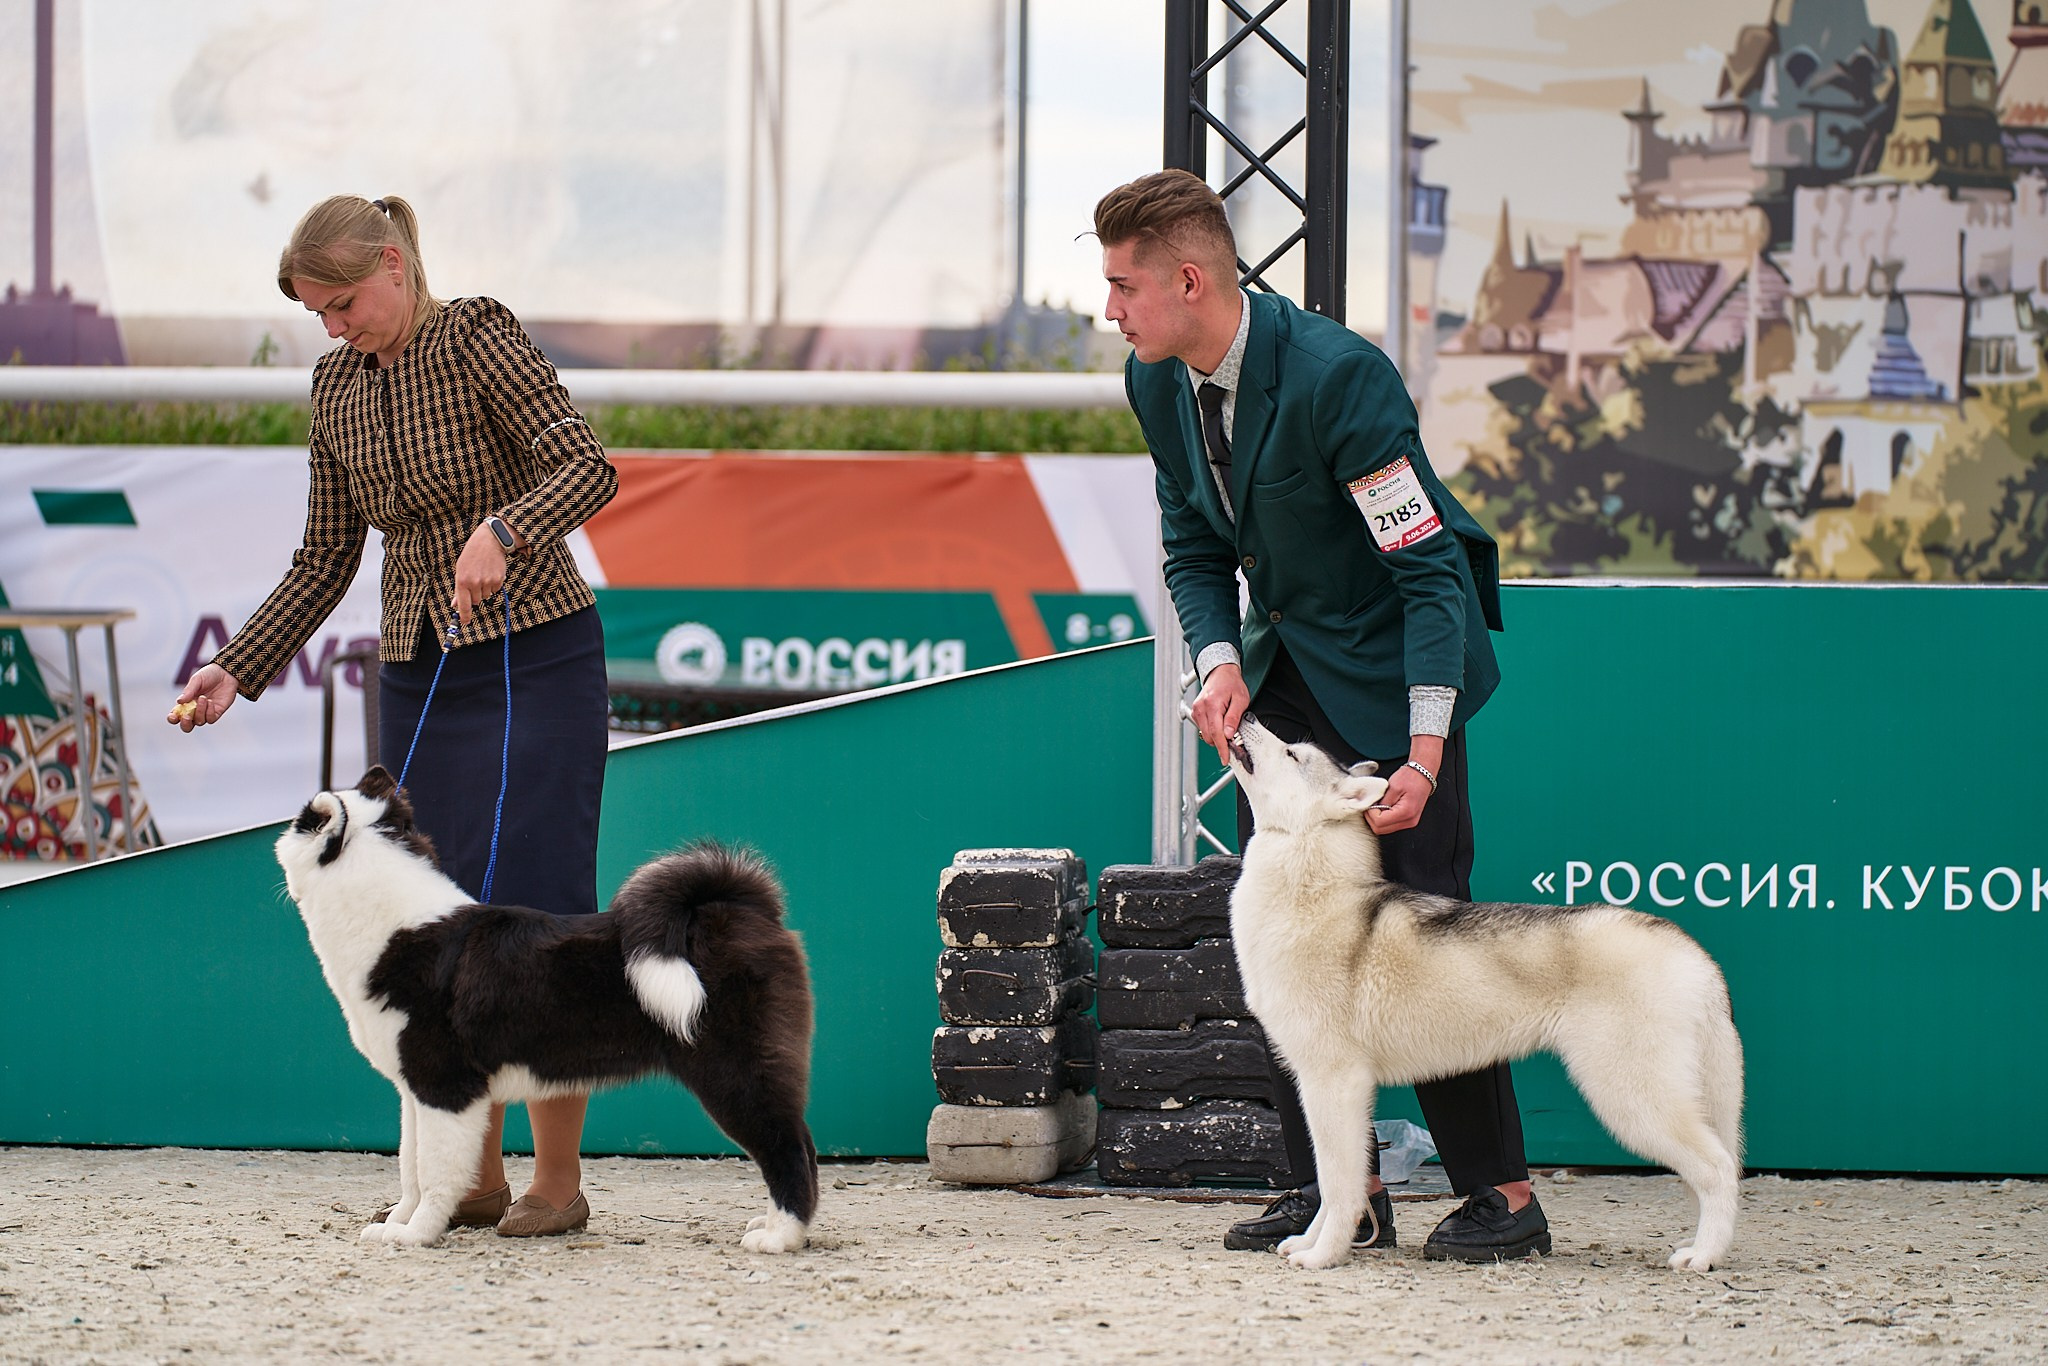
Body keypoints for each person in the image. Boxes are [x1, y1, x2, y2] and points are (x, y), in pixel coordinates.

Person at [1094, 169, 1548, 1262]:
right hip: (1285, 667)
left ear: (1188, 281)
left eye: (1122, 288)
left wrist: (1423, 754)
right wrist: (1219, 662)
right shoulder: (1153, 382)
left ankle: (1505, 1199)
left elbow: (1429, 575)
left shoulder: (1340, 377)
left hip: (1397, 667)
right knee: (1284, 929)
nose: (1110, 311)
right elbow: (1192, 547)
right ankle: (1339, 1197)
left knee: (1429, 934)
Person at [169, 194, 619, 1238]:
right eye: (317, 315)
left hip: (538, 650)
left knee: (538, 910)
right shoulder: (334, 385)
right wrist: (238, 666)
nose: (334, 329)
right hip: (420, 667)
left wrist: (505, 528)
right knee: (434, 922)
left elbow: (586, 466)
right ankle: (472, 1175)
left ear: (392, 264)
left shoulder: (477, 334)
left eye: (342, 304)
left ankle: (557, 1180)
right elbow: (325, 555)